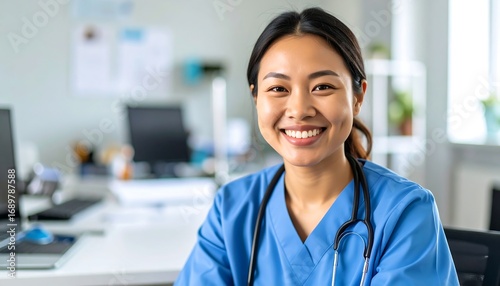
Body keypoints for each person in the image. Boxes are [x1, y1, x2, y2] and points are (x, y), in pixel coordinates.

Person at [175, 7, 459, 286]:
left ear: (358, 97)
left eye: (322, 87)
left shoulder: (404, 212)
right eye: (278, 89)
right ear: (256, 98)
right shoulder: (232, 209)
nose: (299, 110)